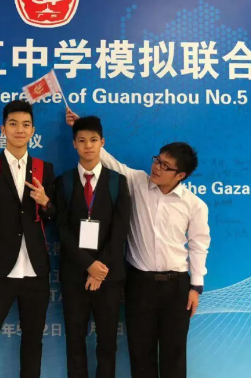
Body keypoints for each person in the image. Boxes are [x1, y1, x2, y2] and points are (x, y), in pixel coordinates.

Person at [66, 108, 210, 378]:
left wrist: (195, 287)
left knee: (174, 353)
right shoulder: (136, 182)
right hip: (140, 283)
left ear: (180, 175)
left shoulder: (195, 205)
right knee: (140, 354)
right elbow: (107, 161)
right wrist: (80, 127)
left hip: (177, 286)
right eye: (158, 160)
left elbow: (198, 246)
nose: (157, 167)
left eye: (165, 166)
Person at [0, 100, 56, 378]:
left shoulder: (44, 168)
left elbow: (55, 216)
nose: (20, 130)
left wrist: (46, 203)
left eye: (26, 125)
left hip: (35, 271)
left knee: (33, 342)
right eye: (13, 124)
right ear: (3, 129)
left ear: (33, 131)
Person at [55, 116, 131, 378]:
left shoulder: (117, 181)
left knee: (107, 343)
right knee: (74, 341)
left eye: (93, 140)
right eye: (82, 140)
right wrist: (88, 265)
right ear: (74, 144)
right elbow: (61, 229)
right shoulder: (63, 182)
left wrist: (100, 269)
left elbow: (120, 230)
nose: (88, 145)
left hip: (108, 277)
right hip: (74, 275)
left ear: (102, 143)